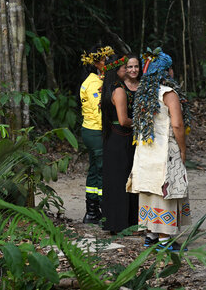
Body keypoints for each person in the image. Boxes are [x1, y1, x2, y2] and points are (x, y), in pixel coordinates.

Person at [129, 47, 191, 251]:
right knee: (166, 193)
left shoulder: (143, 94)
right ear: (167, 71)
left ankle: (151, 235)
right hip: (166, 151)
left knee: (149, 191)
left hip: (146, 152)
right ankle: (165, 241)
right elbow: (177, 125)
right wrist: (182, 149)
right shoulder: (169, 94)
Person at [100, 53, 141, 234]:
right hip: (121, 138)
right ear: (117, 71)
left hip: (112, 139)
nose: (128, 69)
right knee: (123, 181)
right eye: (124, 67)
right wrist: (142, 122)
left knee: (115, 181)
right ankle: (123, 223)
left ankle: (114, 222)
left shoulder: (109, 88)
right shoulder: (119, 90)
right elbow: (124, 120)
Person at [79, 44, 114, 224]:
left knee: (94, 170)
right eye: (103, 59)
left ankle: (91, 212)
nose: (107, 62)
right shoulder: (94, 83)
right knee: (103, 171)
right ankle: (105, 212)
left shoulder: (96, 80)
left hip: (90, 130)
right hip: (95, 131)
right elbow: (98, 111)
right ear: (96, 63)